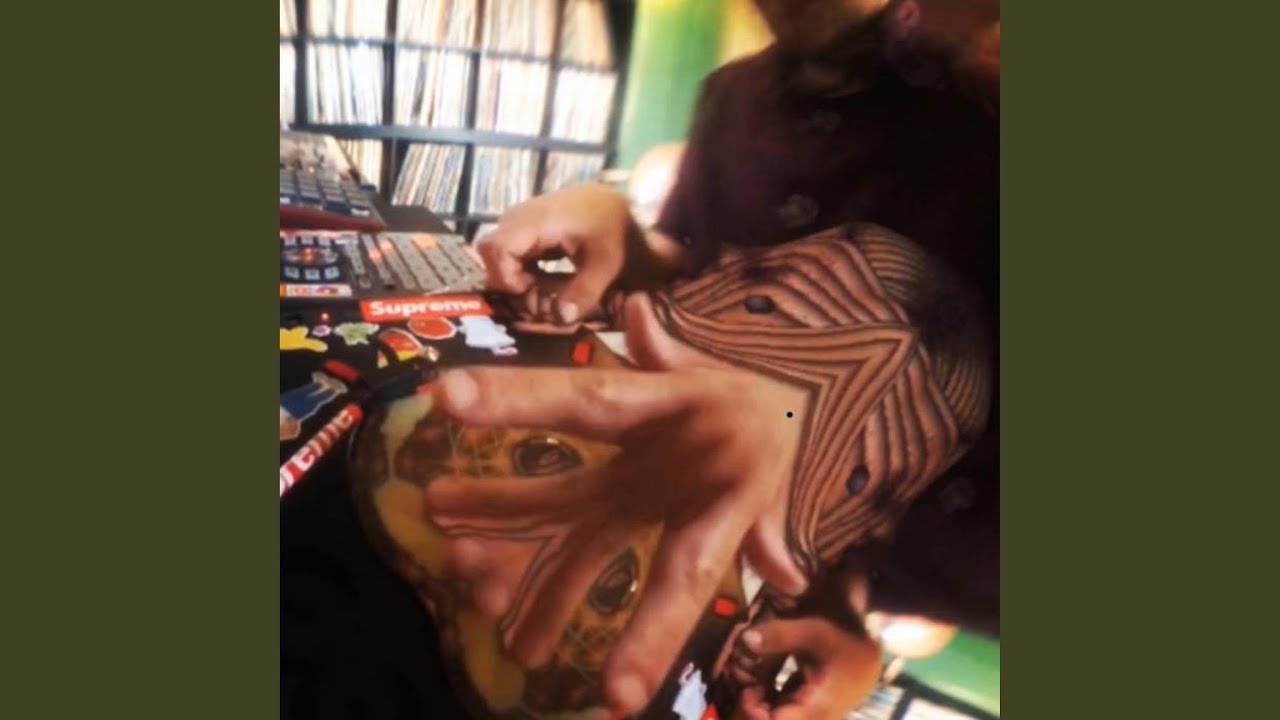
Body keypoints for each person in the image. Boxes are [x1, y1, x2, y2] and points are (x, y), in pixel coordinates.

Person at [427, 1, 1001, 718]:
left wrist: (815, 437)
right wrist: (625, 243)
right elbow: (697, 268)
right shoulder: (737, 96)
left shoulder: (977, 116)